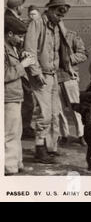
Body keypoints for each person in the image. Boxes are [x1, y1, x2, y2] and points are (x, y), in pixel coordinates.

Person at [24, 0, 71, 164]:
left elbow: (61, 50)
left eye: (62, 15)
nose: (60, 18)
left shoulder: (57, 25)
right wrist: (37, 73)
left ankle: (51, 147)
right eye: (58, 14)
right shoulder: (36, 24)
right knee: (43, 114)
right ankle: (39, 149)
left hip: (53, 75)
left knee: (54, 113)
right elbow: (29, 51)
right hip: (41, 76)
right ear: (50, 10)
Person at [4, 17, 35, 175]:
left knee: (16, 132)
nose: (21, 39)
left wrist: (21, 56)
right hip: (8, 97)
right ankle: (9, 167)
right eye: (19, 36)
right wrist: (22, 65)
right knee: (9, 133)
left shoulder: (10, 46)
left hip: (14, 96)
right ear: (9, 34)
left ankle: (17, 163)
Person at [5, 0, 35, 140]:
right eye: (22, 5)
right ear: (18, 7)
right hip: (13, 72)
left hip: (16, 62)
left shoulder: (10, 18)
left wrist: (21, 53)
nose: (23, 7)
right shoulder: (11, 20)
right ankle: (25, 127)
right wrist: (22, 63)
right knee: (26, 97)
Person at [56, 26, 88, 147]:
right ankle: (64, 134)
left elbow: (83, 54)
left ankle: (81, 134)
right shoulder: (48, 36)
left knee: (76, 108)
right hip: (54, 77)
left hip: (69, 76)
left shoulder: (71, 35)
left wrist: (68, 59)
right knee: (59, 110)